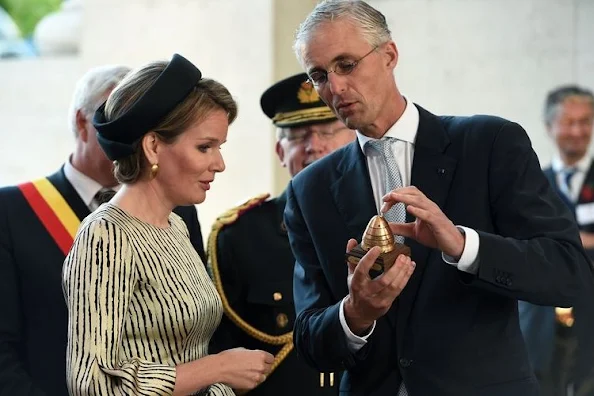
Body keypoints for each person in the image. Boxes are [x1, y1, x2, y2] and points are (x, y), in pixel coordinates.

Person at [284, 1, 593, 395]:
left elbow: (570, 275)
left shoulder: (489, 144)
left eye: (346, 64)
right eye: (319, 75)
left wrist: (464, 245)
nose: (336, 87)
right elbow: (310, 343)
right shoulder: (309, 189)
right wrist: (354, 315)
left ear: (389, 56)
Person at [62, 54, 274, 396]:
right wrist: (216, 368)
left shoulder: (175, 225)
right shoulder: (106, 235)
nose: (219, 164)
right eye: (205, 147)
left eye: (219, 147)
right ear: (153, 146)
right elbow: (92, 383)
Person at [208, 72, 355, 395]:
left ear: (355, 141)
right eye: (299, 136)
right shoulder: (239, 236)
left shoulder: (385, 224)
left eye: (328, 131)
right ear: (280, 151)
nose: (314, 146)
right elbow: (221, 350)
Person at [518, 85, 594, 396]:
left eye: (585, 121)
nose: (577, 130)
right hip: (540, 321)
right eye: (568, 121)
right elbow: (521, 242)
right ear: (550, 126)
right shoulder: (531, 184)